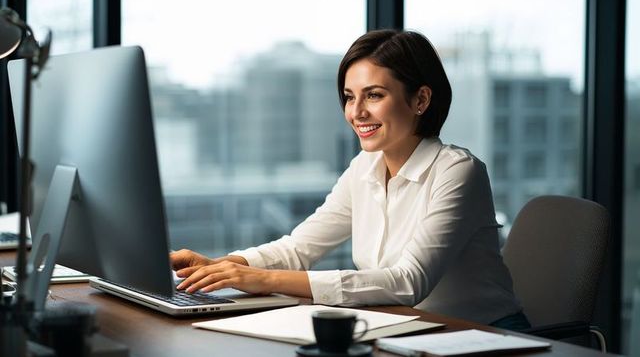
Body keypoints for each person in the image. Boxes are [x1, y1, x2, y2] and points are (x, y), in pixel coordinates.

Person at [170, 29, 530, 330]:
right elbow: (299, 248)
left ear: (420, 99)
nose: (356, 112)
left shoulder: (458, 170)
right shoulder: (365, 167)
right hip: (406, 330)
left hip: (485, 337)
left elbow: (407, 282)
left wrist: (262, 280)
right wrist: (220, 266)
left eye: (374, 95)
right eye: (348, 97)